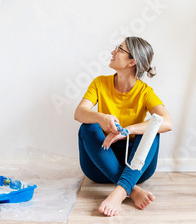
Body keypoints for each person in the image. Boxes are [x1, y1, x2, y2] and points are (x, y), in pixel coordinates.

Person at [74, 36, 173, 217]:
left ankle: (119, 192)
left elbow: (167, 122)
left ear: (132, 61)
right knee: (87, 127)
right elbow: (79, 113)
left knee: (152, 129)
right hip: (99, 166)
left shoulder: (145, 92)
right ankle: (131, 189)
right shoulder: (99, 83)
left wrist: (128, 131)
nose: (113, 52)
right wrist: (100, 117)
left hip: (136, 168)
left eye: (119, 49)